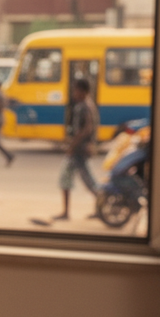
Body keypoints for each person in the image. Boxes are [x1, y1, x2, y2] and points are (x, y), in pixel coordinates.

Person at [53, 77, 100, 221]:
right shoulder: (89, 105)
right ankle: (101, 207)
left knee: (69, 179)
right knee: (87, 180)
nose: (74, 93)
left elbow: (86, 128)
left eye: (76, 89)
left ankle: (66, 213)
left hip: (78, 150)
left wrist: (72, 145)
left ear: (82, 91)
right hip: (81, 149)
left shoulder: (83, 106)